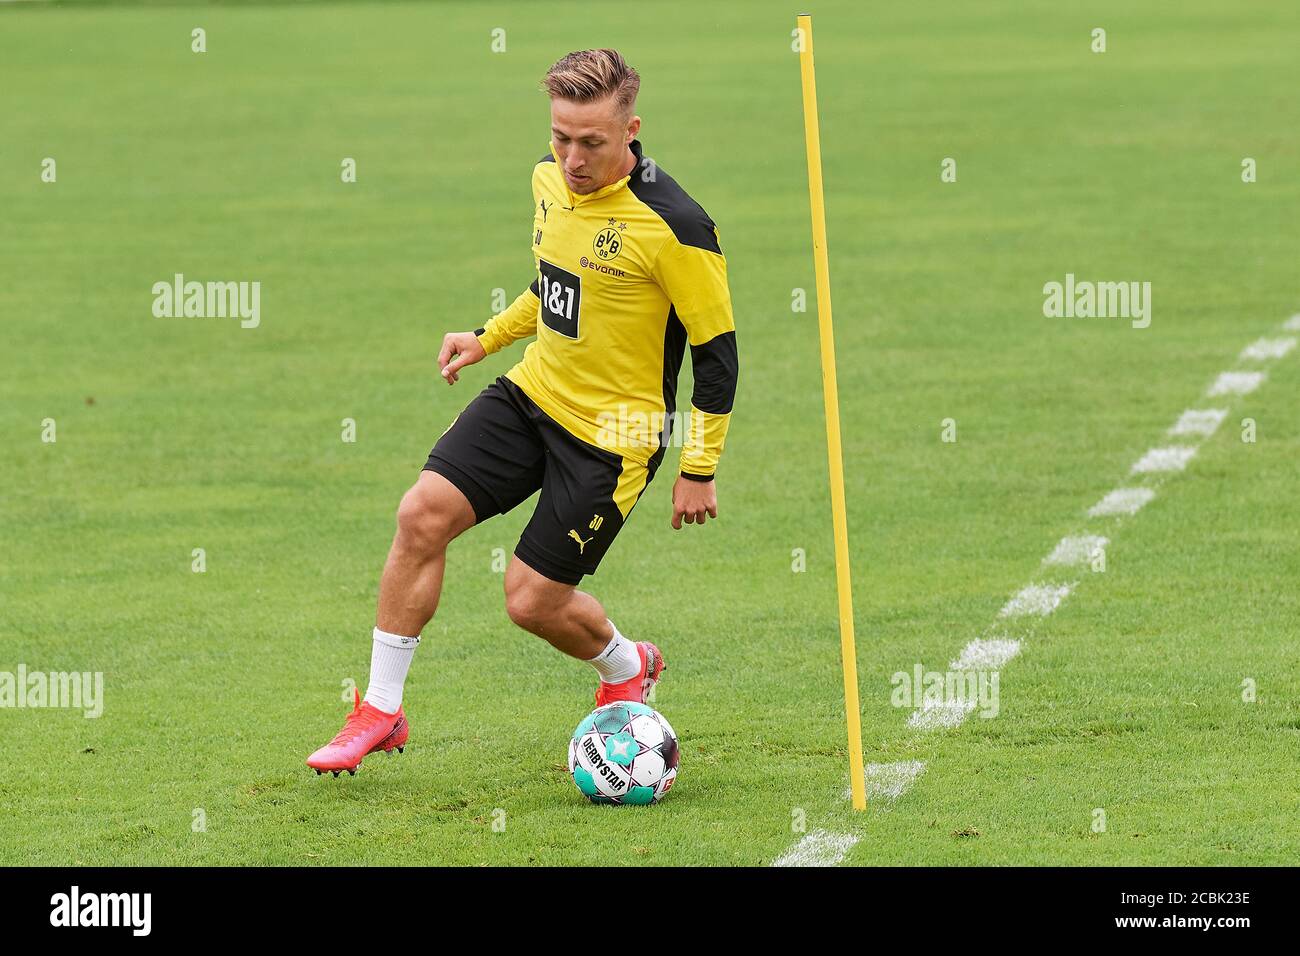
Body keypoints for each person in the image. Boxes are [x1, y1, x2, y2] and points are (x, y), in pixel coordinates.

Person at [307, 48, 738, 776]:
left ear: (631, 129)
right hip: (533, 394)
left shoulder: (676, 226)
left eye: (591, 142)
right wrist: (486, 338)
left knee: (531, 601)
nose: (571, 158)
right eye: (560, 137)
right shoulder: (547, 182)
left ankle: (627, 663)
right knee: (421, 515)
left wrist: (698, 467)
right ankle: (380, 710)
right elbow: (555, 287)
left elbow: (718, 354)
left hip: (616, 437)